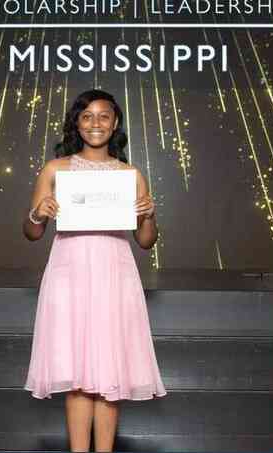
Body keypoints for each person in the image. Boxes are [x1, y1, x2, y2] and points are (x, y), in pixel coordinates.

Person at [22, 89, 167, 452]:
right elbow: (32, 233)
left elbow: (146, 241)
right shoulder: (55, 169)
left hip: (113, 274)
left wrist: (148, 214)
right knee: (78, 374)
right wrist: (39, 213)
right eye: (87, 116)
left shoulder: (130, 174)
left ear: (115, 122)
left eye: (104, 116)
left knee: (108, 373)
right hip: (69, 274)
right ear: (77, 122)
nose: (95, 123)